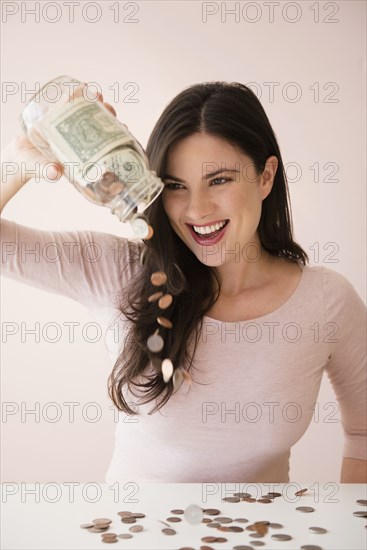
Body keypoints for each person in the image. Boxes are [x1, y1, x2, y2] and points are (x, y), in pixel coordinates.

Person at [1, 81, 366, 483]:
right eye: (175, 186)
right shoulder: (120, 271)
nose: (197, 209)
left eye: (220, 180)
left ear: (266, 177)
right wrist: (18, 168)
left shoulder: (326, 302)